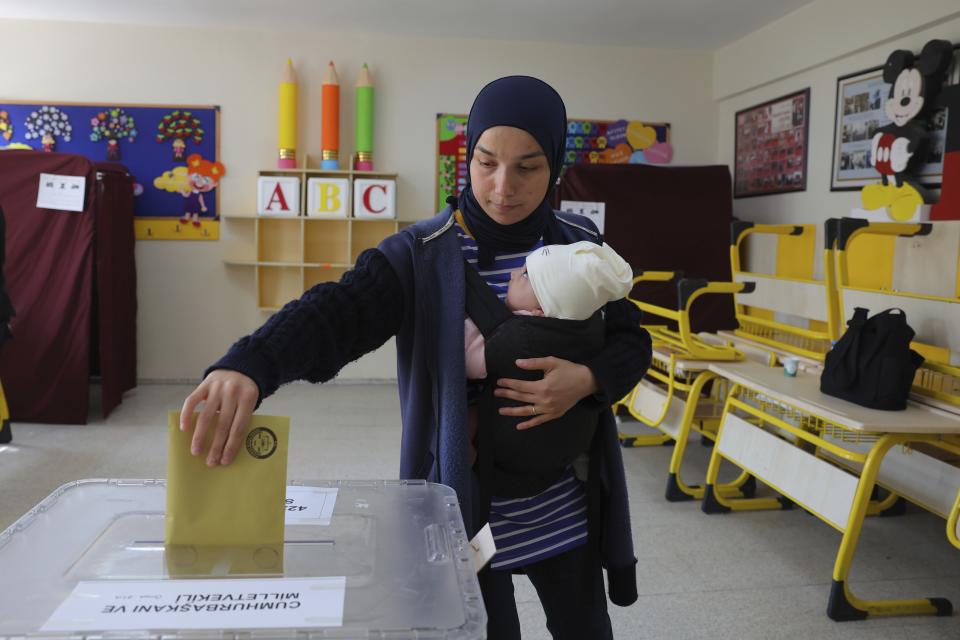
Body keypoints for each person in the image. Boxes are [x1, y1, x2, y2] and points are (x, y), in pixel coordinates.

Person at [181, 75, 651, 639]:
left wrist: (588, 378)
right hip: (466, 509)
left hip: (565, 505)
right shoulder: (423, 253)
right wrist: (251, 363)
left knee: (586, 629)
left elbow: (632, 339)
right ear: (467, 159)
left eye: (527, 166)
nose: (502, 186)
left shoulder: (582, 246)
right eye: (485, 162)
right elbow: (340, 310)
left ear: (554, 165)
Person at [464, 241, 634, 501]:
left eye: (523, 275)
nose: (512, 274)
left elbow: (466, 359)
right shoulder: (591, 325)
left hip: (505, 458)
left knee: (467, 417)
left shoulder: (515, 338)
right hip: (567, 452)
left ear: (539, 310)